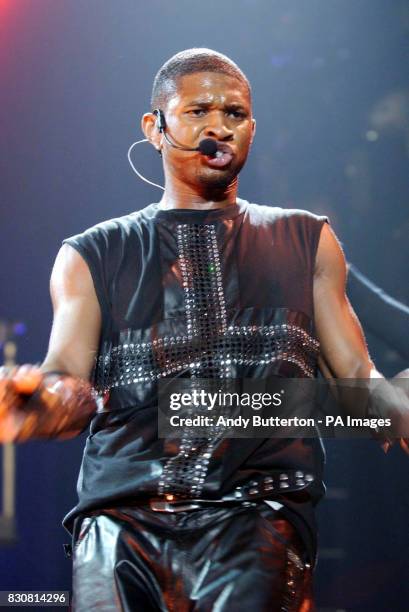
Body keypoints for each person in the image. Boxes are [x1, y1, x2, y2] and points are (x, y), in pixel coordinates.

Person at [0, 48, 408, 612]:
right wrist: (41, 401)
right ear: (156, 127)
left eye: (235, 114)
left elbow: (359, 381)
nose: (219, 126)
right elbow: (68, 378)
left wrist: (396, 406)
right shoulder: (92, 253)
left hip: (259, 515)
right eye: (197, 111)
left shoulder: (305, 240)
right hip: (121, 519)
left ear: (252, 129)